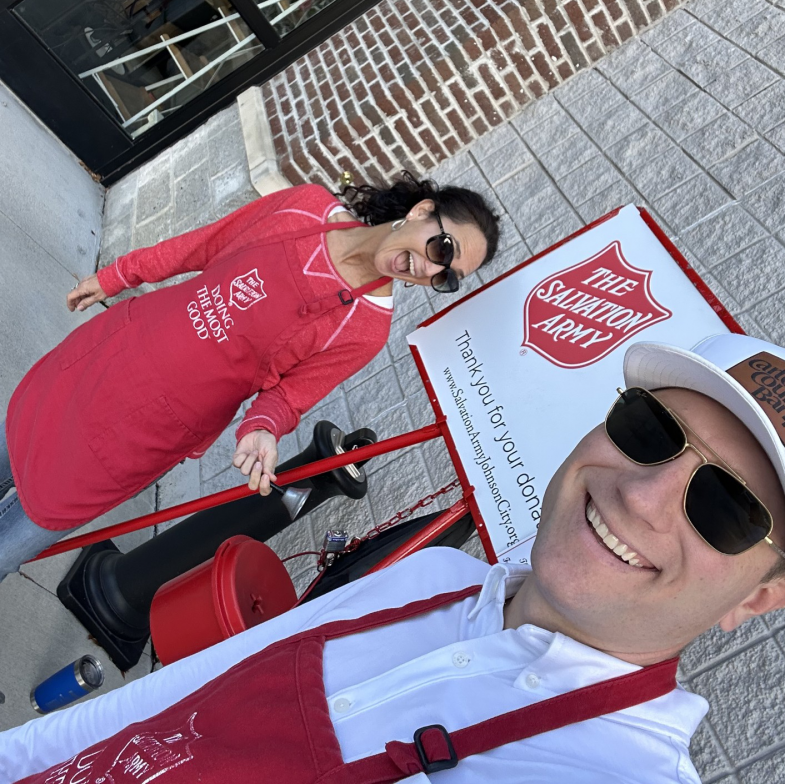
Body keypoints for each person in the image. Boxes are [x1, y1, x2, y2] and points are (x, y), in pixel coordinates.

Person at [3, 331, 785, 784]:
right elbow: (165, 700)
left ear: (755, 600)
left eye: (727, 510)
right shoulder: (435, 576)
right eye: (650, 430)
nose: (642, 496)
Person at [0, 174, 499, 582]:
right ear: (421, 210)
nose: (429, 270)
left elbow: (288, 398)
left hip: (152, 426)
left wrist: (262, 428)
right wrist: (118, 275)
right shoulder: (305, 206)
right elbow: (204, 245)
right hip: (117, 353)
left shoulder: (366, 329)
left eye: (445, 277)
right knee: (13, 442)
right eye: (442, 249)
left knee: (25, 531)